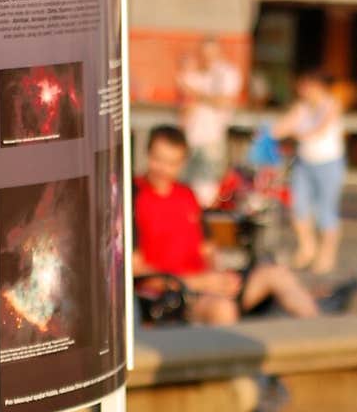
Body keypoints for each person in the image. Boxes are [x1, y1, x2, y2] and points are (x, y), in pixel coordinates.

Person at [132, 124, 325, 325]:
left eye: (172, 162)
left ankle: (320, 332)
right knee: (222, 308)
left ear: (182, 163)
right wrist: (202, 283)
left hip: (208, 285)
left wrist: (219, 278)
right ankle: (234, 351)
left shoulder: (186, 195)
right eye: (158, 159)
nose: (163, 169)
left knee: (276, 274)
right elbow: (138, 271)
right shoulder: (133, 197)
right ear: (147, 154)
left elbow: (208, 249)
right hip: (172, 297)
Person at [269, 70, 347, 275]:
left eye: (306, 85)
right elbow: (281, 127)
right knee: (298, 207)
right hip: (304, 164)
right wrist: (270, 132)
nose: (302, 90)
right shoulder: (301, 108)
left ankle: (327, 255)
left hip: (328, 163)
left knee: (325, 211)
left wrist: (297, 133)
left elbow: (319, 130)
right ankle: (307, 248)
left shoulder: (331, 104)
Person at [176, 36, 242, 207]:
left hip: (211, 138)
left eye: (210, 54)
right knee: (186, 187)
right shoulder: (197, 75)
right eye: (203, 54)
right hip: (191, 137)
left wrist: (195, 93)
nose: (206, 58)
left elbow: (224, 102)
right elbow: (185, 109)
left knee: (205, 190)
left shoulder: (226, 73)